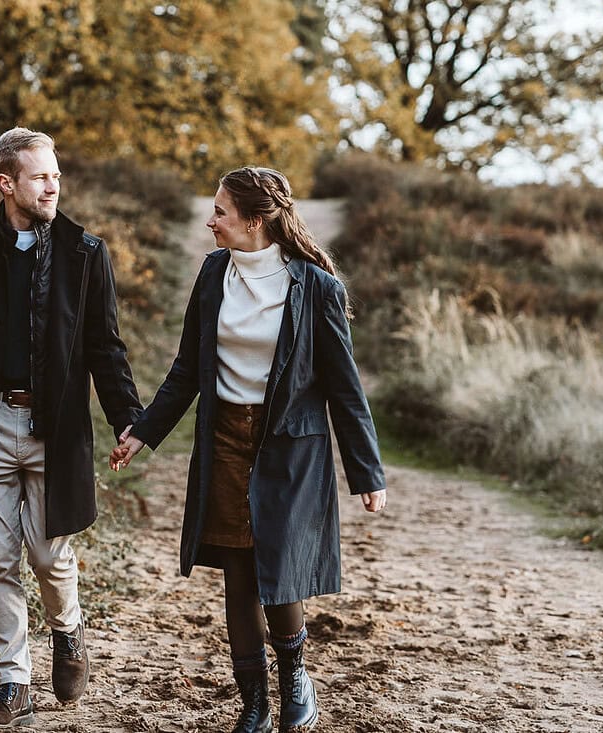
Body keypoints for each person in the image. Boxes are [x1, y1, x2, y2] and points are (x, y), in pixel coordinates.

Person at [111, 167, 387, 732]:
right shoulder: (214, 273)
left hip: (289, 446)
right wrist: (142, 430)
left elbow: (343, 386)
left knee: (279, 572)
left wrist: (366, 471)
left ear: (255, 221)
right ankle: (254, 706)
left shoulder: (316, 287)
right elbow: (187, 367)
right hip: (225, 441)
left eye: (220, 212)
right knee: (238, 571)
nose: (210, 220)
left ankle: (295, 681)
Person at [0, 127, 143, 729]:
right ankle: (13, 683)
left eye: (57, 176)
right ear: (6, 182)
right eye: (41, 176)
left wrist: (128, 421)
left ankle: (67, 630)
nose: (53, 186)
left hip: (56, 428)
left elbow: (106, 349)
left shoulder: (85, 254)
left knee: (47, 555)